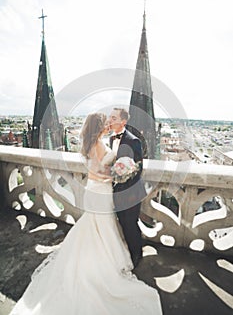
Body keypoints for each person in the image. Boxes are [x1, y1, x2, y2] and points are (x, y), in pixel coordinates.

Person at [9, 112, 163, 315]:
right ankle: (103, 259)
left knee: (97, 225)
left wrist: (122, 171)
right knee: (101, 224)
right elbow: (99, 172)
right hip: (101, 190)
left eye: (112, 120)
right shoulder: (99, 144)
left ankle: (102, 254)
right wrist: (118, 173)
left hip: (97, 190)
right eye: (106, 122)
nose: (109, 123)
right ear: (99, 127)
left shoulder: (93, 143)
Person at [109, 108, 146, 268]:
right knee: (123, 223)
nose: (110, 120)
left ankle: (137, 254)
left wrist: (125, 181)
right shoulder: (111, 139)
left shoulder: (133, 140)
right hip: (117, 191)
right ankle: (130, 251)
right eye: (110, 117)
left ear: (123, 122)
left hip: (131, 192)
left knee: (131, 224)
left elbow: (138, 168)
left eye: (113, 118)